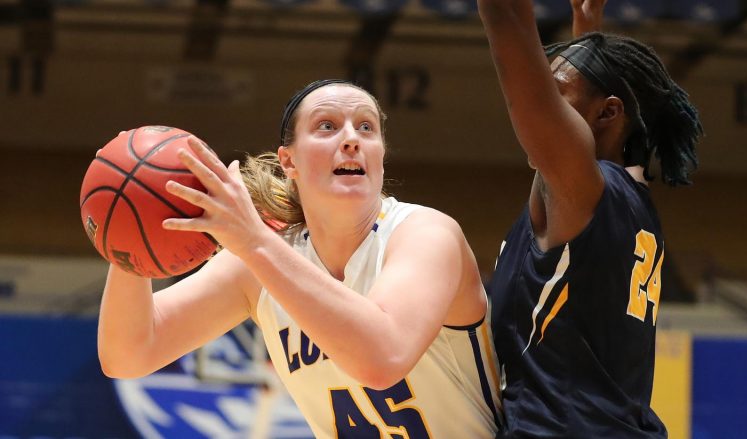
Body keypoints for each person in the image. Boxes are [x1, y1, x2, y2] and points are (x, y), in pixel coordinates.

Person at [97, 79, 501, 438]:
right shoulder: (263, 259)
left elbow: (384, 358)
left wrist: (254, 240)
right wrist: (130, 235)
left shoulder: (424, 233)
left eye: (366, 127)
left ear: (380, 154)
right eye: (327, 126)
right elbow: (129, 354)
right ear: (289, 160)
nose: (351, 139)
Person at [477, 0, 703, 437]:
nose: (541, 105)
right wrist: (586, 33)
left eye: (555, 93)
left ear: (608, 114)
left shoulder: (584, 190)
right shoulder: (627, 196)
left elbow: (505, 20)